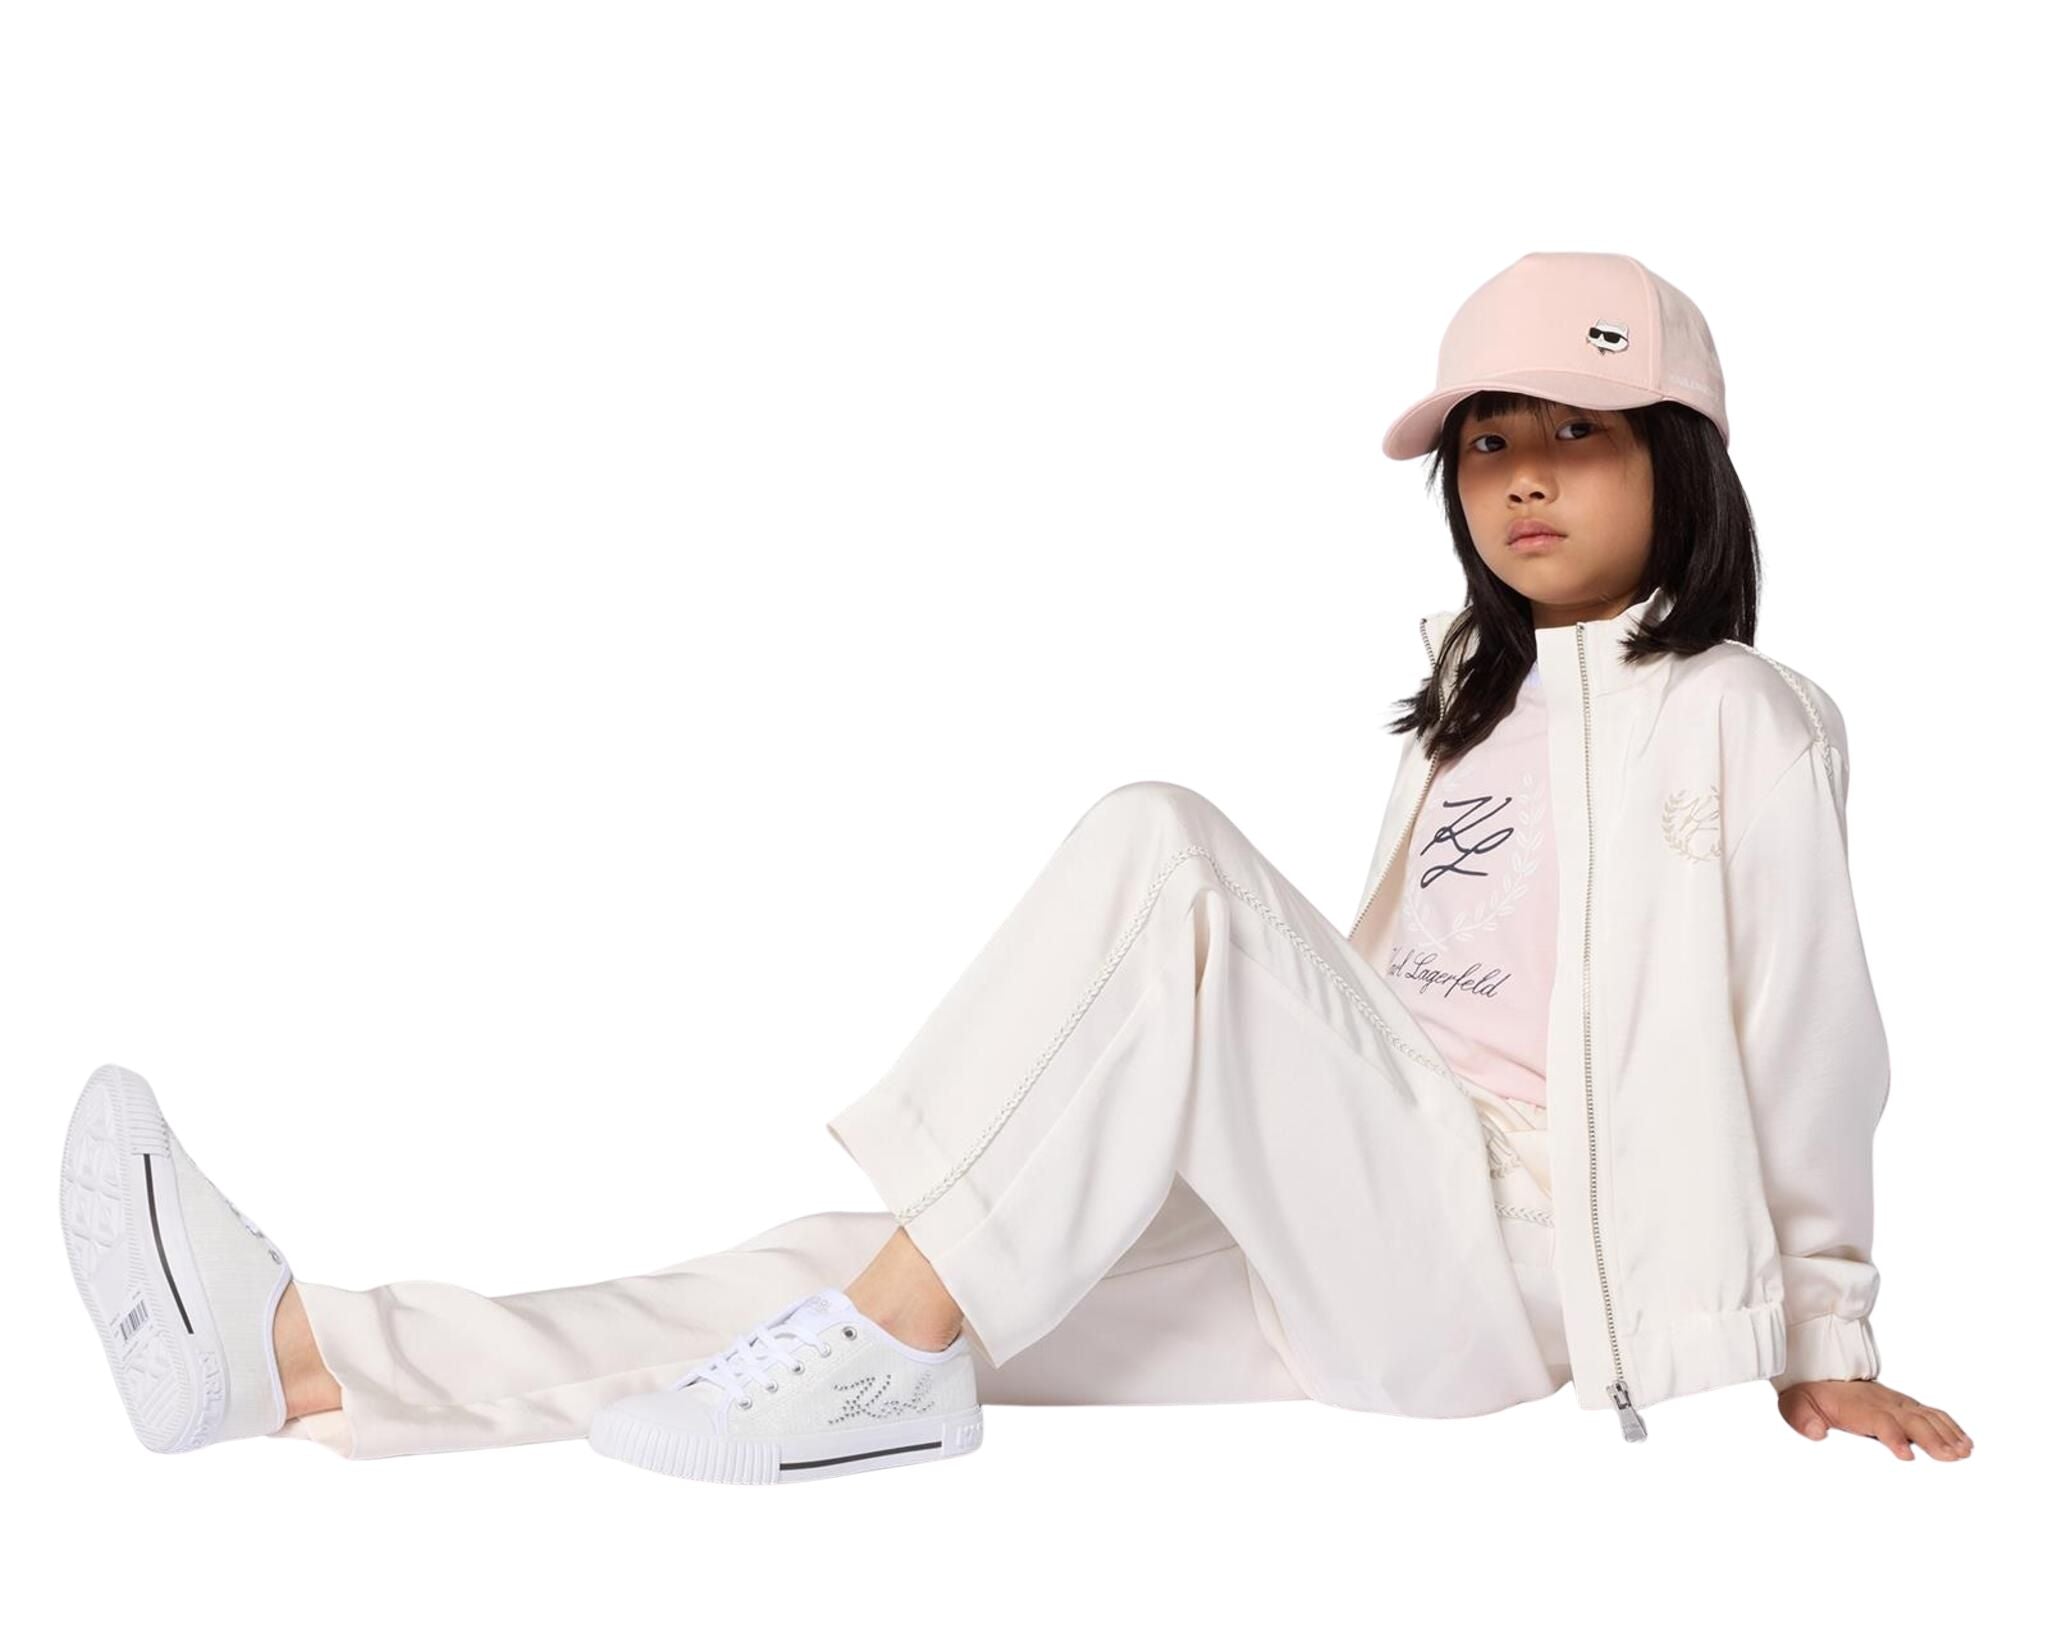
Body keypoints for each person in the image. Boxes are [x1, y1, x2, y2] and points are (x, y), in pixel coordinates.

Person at [57, 249, 1973, 1484]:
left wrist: (1820, 1337)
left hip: (1519, 1258)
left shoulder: (1742, 713)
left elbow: (1813, 1039)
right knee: (843, 1277)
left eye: (1579, 434)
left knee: (1166, 855)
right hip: (1344, 1217)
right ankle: (300, 1361)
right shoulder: (1470, 706)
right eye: (1487, 446)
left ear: (1680, 462)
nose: (1525, 477)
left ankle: (888, 1352)